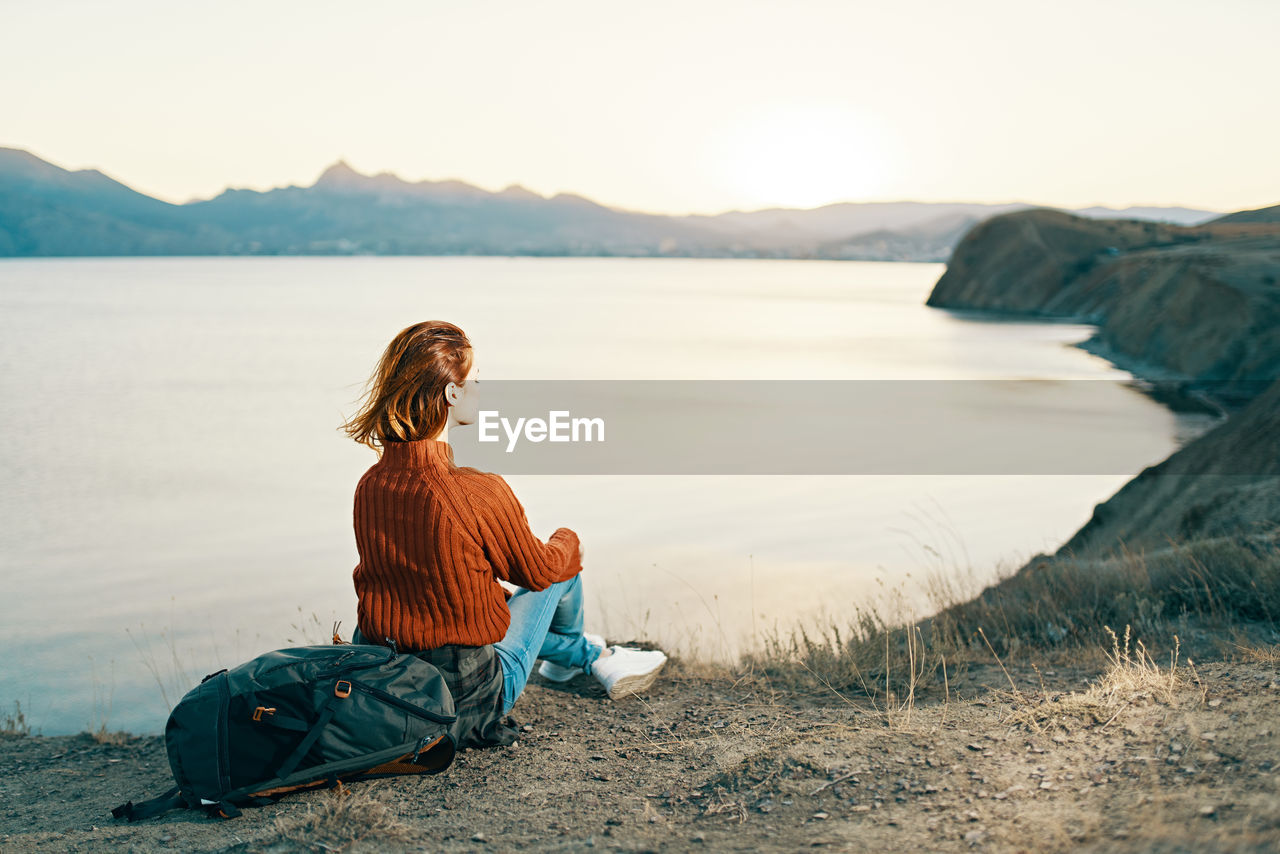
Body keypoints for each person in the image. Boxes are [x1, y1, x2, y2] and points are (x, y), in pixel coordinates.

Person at [338, 320, 667, 750]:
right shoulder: (473, 490)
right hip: (468, 702)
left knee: (517, 593)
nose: (479, 389)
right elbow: (539, 572)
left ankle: (581, 657)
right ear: (452, 394)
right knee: (562, 569)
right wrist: (569, 539)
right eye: (474, 381)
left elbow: (415, 583)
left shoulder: (371, 485)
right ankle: (582, 658)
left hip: (395, 692)